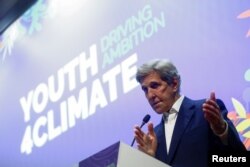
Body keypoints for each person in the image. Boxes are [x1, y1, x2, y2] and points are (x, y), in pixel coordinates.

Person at [133, 59, 246, 167]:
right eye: (145, 90)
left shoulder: (206, 110)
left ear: (174, 84)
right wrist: (150, 161)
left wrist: (222, 131)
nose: (150, 95)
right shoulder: (154, 136)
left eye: (154, 86)